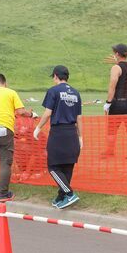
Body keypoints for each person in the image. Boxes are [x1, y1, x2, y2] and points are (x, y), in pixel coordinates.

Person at [0, 74, 38, 202]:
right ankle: (3, 194)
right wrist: (31, 114)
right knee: (5, 162)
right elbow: (21, 111)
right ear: (5, 83)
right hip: (4, 130)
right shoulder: (10, 93)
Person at [33, 65, 82, 209]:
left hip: (58, 133)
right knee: (67, 166)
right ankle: (61, 197)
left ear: (55, 76)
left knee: (53, 166)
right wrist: (81, 137)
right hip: (72, 133)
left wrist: (38, 128)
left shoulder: (53, 91)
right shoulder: (76, 92)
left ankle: (69, 193)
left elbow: (48, 113)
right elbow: (79, 118)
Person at [103, 44, 127, 157]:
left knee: (112, 129)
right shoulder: (120, 66)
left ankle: (110, 151)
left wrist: (108, 103)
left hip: (118, 103)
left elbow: (112, 86)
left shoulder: (116, 68)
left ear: (117, 54)